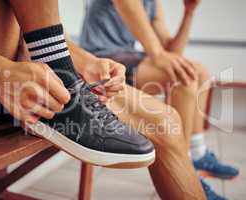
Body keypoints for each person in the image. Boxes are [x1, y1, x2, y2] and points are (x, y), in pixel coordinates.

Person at [0, 0, 206, 199]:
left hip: (33, 74)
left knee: (165, 121)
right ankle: (65, 93)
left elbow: (32, 32)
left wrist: (87, 62)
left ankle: (198, 162)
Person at [80, 0, 239, 199]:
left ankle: (197, 153)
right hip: (100, 59)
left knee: (199, 72)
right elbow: (157, 50)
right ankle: (188, 166)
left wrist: (189, 13)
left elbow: (173, 52)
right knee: (183, 78)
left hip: (128, 56)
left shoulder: (153, 3)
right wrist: (158, 54)